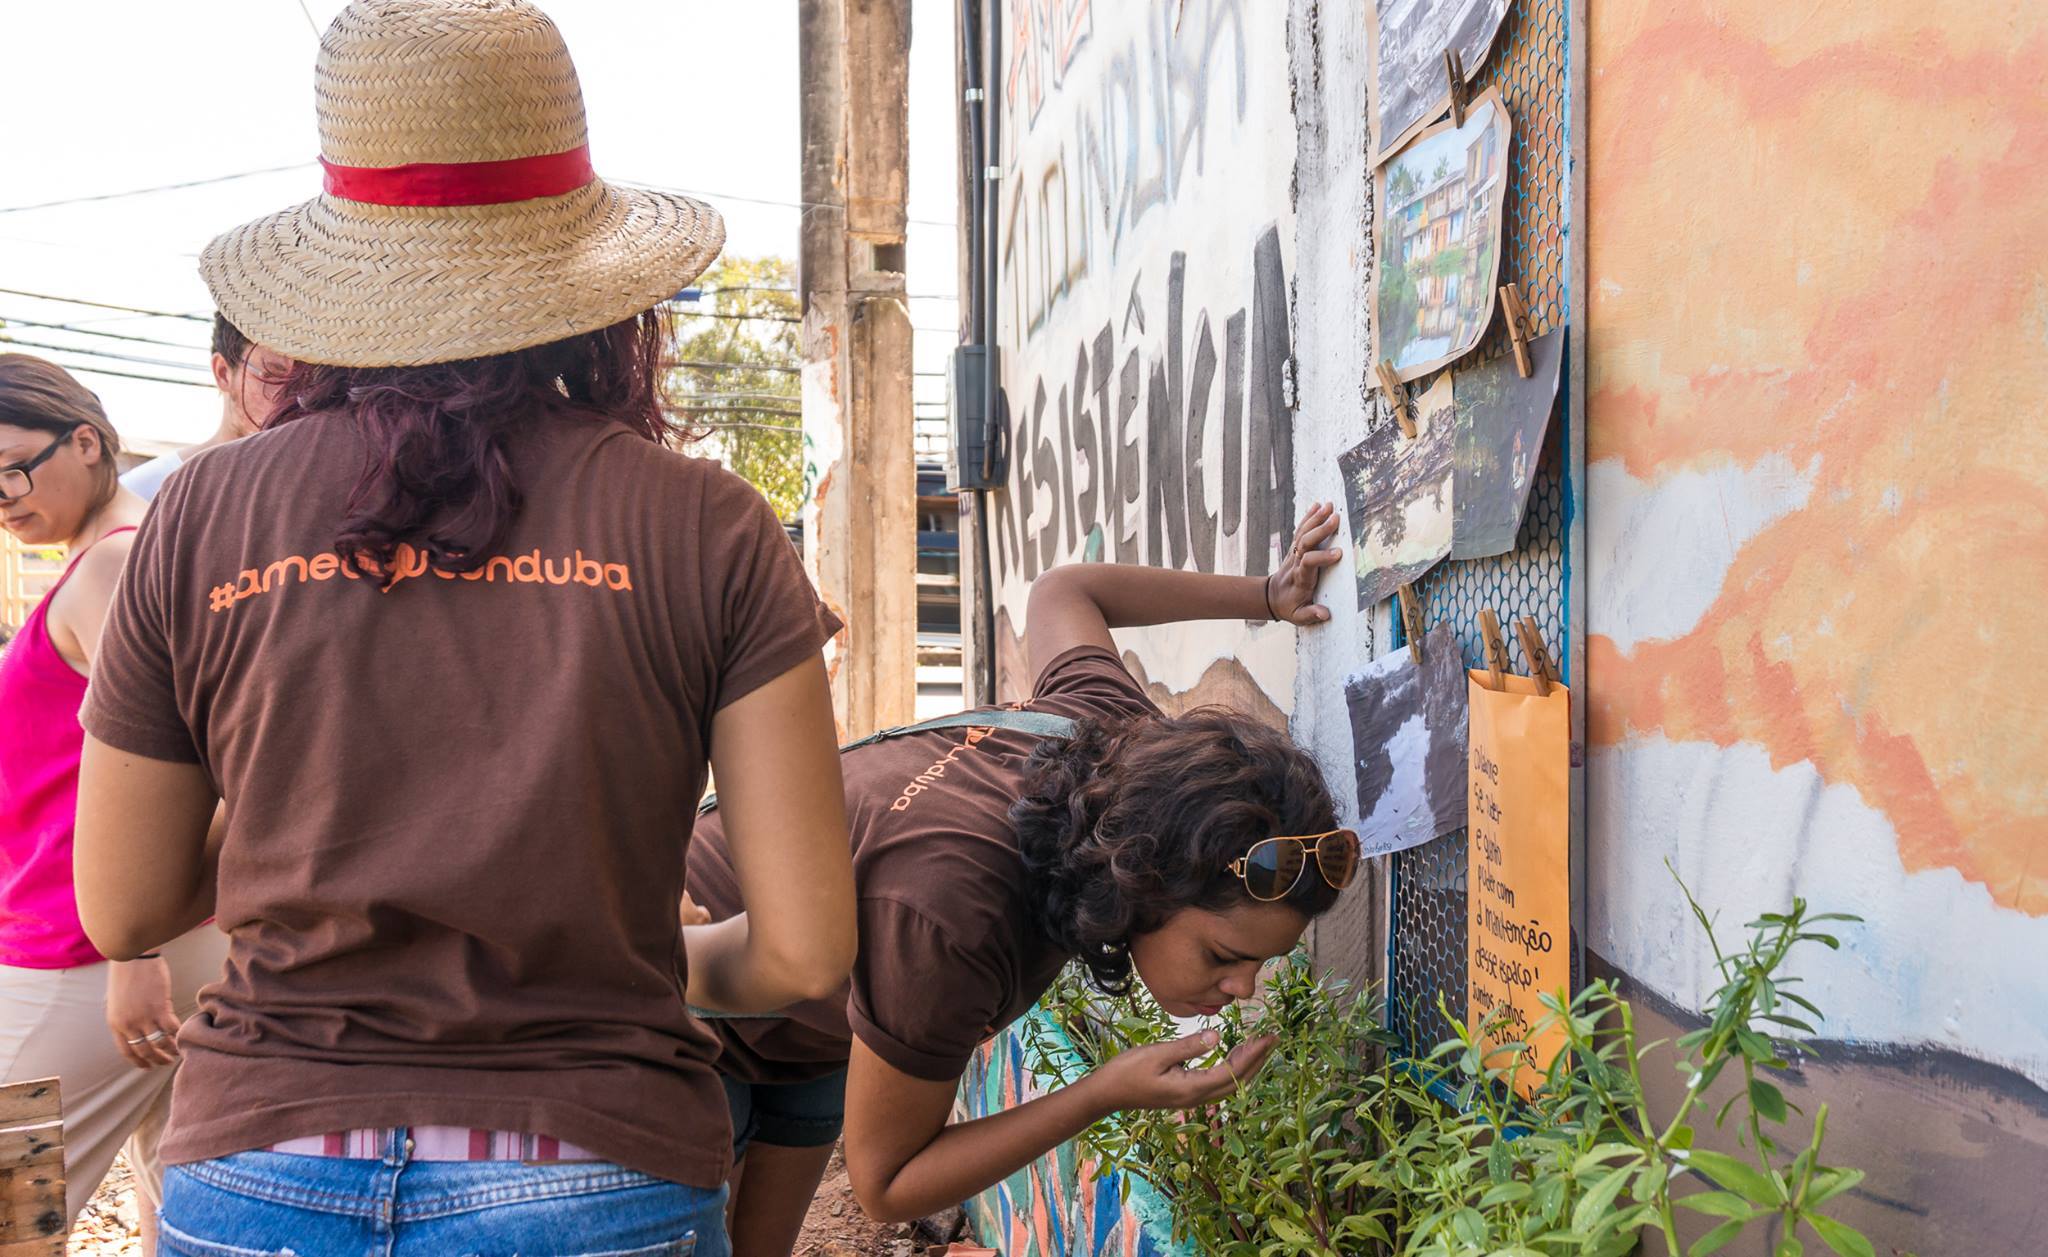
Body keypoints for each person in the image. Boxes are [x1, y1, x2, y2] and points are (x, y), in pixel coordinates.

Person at [69, 3, 856, 1255]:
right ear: (592, 278)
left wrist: (313, 804)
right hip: (597, 1164)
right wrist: (648, 963)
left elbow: (121, 908)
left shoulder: (203, 510)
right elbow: (809, 950)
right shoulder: (706, 523)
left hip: (264, 1162)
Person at [687, 504, 1358, 1256]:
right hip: (688, 1002)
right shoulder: (957, 916)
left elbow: (1064, 591)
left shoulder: (1113, 733)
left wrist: (1268, 596)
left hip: (812, 1032)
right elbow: (883, 1182)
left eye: (1259, 963)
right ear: (1146, 875)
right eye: (1224, 954)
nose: (1244, 986)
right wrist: (1105, 1090)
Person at [0, 354, 226, 1251]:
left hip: (84, 956)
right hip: (123, 949)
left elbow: (193, 759)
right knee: (181, 1205)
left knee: (14, 1214)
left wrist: (137, 946)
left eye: (13, 466)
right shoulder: (125, 554)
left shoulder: (115, 565)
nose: (2, 495)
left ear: (86, 441)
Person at [119, 316, 293, 499]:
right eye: (273, 376)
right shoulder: (144, 491)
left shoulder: (306, 490)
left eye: (306, 383)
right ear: (223, 373)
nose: (294, 397)